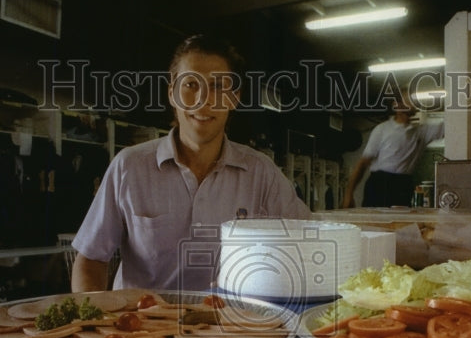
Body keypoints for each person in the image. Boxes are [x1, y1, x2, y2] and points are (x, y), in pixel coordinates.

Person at [71, 34, 311, 292]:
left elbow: (310, 242)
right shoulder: (129, 167)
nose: (203, 99)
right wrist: (97, 320)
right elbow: (91, 259)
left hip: (226, 326)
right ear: (172, 91)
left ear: (235, 97)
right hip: (141, 325)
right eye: (191, 84)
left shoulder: (262, 174)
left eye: (218, 86)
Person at [341, 93, 444, 208]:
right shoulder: (382, 129)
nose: (413, 102)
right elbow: (362, 164)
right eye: (408, 100)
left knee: (400, 224)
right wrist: (348, 195)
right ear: (397, 105)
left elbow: (449, 126)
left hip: (403, 185)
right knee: (374, 224)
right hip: (379, 185)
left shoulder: (421, 132)